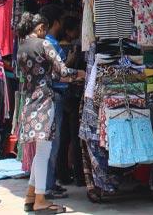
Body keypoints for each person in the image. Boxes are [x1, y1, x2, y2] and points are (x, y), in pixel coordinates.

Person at [17, 12, 84, 214]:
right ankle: (40, 199)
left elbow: (46, 73)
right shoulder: (44, 44)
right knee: (44, 152)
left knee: (40, 152)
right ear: (41, 29)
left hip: (29, 101)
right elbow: (62, 71)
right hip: (44, 102)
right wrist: (79, 74)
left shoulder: (22, 46)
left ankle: (31, 196)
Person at [38, 3, 68, 199]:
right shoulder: (51, 44)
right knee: (52, 144)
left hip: (46, 96)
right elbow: (61, 71)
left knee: (47, 143)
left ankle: (48, 183)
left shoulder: (41, 42)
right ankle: (47, 187)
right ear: (56, 22)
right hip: (54, 95)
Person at [57, 15, 84, 186]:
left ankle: (63, 174)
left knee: (63, 137)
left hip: (63, 96)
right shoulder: (76, 48)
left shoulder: (56, 46)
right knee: (76, 138)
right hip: (72, 95)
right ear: (68, 30)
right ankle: (80, 176)